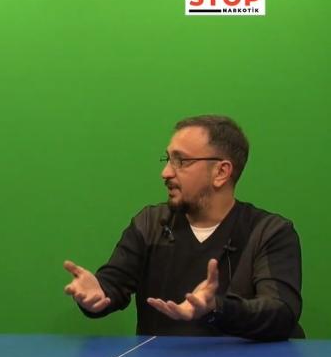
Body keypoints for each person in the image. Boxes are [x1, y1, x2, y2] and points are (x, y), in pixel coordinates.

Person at [63, 115, 303, 341]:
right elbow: (111, 286)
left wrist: (216, 307)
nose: (166, 172)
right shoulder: (150, 224)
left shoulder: (269, 232)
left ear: (221, 172)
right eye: (168, 159)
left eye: (181, 161)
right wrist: (96, 293)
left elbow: (280, 312)